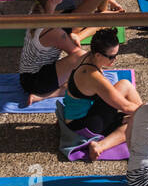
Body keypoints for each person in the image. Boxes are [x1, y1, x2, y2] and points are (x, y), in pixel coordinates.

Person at [61, 28, 142, 161]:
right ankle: (100, 146)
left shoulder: (86, 56)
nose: (114, 60)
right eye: (111, 56)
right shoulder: (94, 77)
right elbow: (125, 106)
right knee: (135, 125)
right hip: (81, 125)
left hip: (79, 114)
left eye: (116, 55)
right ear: (98, 55)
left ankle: (147, 122)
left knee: (125, 84)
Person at [18, 0, 87, 105]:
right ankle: (44, 95)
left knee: (79, 74)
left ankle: (41, 95)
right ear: (52, 0)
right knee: (84, 60)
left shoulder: (35, 11)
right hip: (36, 82)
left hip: (26, 77)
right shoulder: (53, 31)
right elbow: (78, 54)